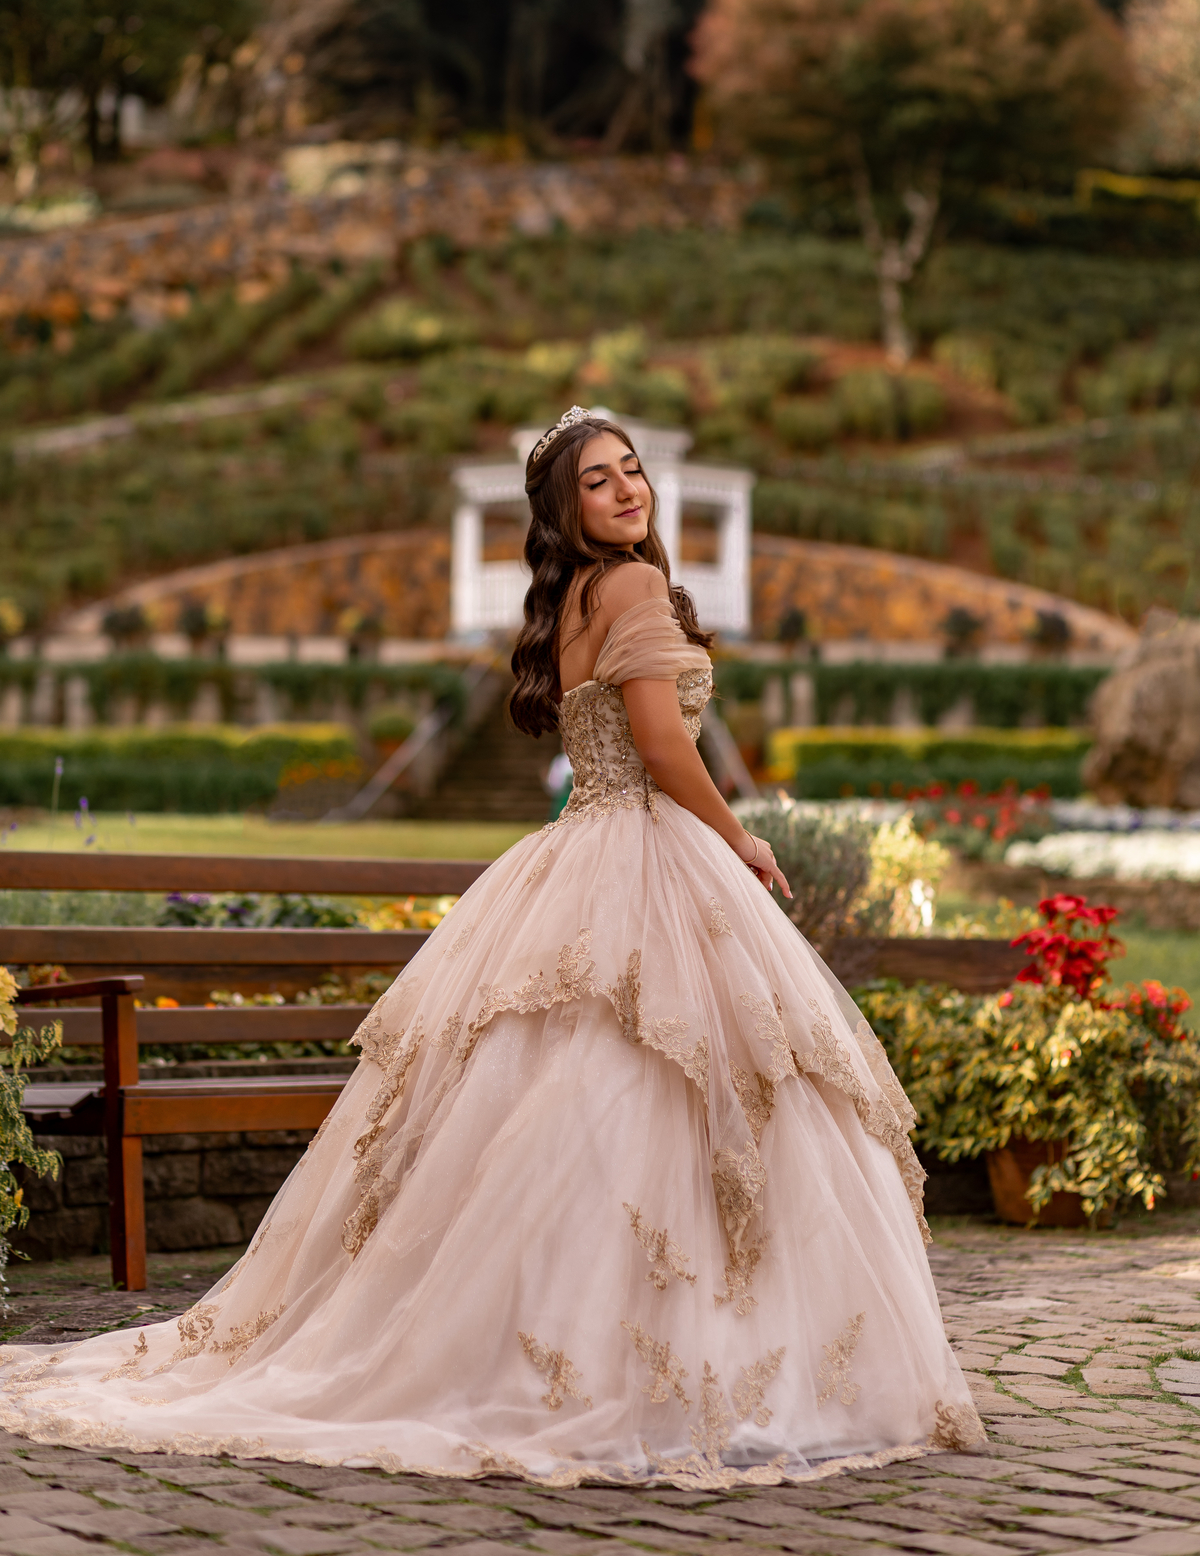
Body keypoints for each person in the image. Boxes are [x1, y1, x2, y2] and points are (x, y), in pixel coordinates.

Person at [0, 406, 982, 1487]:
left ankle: (578, 1357)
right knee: (661, 1099)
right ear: (564, 511)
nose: (625, 490)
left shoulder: (571, 596)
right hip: (647, 856)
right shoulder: (634, 586)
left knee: (587, 1109)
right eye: (597, 482)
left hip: (582, 856)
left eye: (632, 471)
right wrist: (739, 836)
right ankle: (659, 1369)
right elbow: (659, 744)